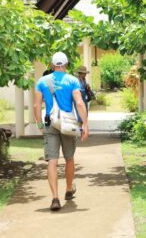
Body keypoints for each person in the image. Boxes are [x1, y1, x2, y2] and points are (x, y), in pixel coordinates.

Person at [33, 52, 89, 211]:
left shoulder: (42, 81)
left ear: (52, 65)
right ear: (66, 64)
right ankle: (69, 189)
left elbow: (37, 105)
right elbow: (79, 102)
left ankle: (55, 198)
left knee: (52, 160)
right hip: (68, 124)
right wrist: (85, 124)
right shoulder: (72, 80)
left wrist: (39, 124)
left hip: (50, 122)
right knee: (69, 158)